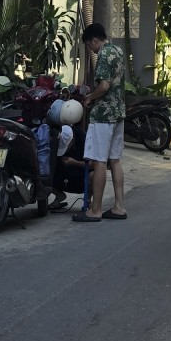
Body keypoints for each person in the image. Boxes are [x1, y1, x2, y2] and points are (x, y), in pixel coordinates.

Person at [74, 22, 127, 223]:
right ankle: (119, 207)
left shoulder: (104, 54)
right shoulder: (118, 51)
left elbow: (104, 86)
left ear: (94, 40)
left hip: (104, 114)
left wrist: (90, 97)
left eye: (89, 45)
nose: (91, 49)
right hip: (118, 112)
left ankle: (95, 209)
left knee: (99, 161)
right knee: (115, 160)